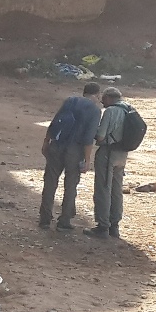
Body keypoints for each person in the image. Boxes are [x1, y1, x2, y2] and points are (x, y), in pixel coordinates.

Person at [40, 82, 101, 230]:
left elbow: (54, 123)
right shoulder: (95, 110)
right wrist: (87, 159)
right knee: (70, 185)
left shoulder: (70, 101)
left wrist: (46, 142)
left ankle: (45, 219)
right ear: (98, 95)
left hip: (57, 145)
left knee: (50, 182)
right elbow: (88, 139)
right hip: (75, 149)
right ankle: (64, 221)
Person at [87, 89, 130, 241]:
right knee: (116, 189)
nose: (102, 102)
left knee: (103, 188)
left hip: (108, 153)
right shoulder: (129, 109)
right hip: (122, 154)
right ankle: (114, 226)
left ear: (110, 98)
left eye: (104, 99)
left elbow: (101, 135)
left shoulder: (111, 111)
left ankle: (102, 225)